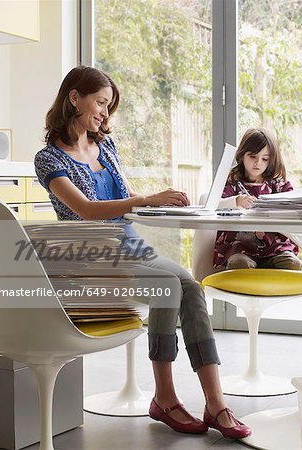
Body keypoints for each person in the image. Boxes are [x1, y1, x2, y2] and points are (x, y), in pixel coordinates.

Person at [34, 65, 251, 439]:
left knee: (192, 287)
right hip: (90, 254)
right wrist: (147, 198)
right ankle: (165, 397)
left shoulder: (105, 145)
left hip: (129, 244)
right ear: (75, 98)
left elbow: (125, 203)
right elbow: (86, 209)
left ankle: (215, 404)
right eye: (101, 102)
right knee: (168, 284)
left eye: (108, 107)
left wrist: (166, 206)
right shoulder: (49, 159)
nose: (104, 113)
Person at [213, 127, 302, 271]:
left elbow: (293, 206)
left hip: (275, 246)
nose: (258, 163)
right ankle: (242, 292)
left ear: (271, 160)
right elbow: (213, 204)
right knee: (239, 263)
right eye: (253, 156)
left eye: (265, 158)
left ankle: (276, 292)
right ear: (242, 155)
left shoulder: (279, 185)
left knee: (292, 263)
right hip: (239, 246)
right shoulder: (232, 183)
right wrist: (236, 201)